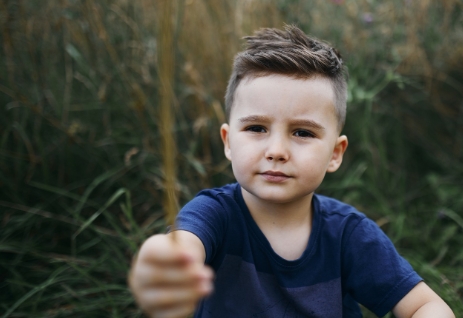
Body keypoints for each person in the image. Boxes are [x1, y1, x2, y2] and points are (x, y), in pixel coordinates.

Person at [129, 25, 455, 318]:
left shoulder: (348, 234)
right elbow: (183, 246)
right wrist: (165, 264)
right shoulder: (214, 214)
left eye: (302, 133)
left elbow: (425, 305)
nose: (277, 151)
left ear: (335, 153)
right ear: (228, 142)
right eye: (257, 128)